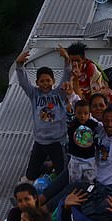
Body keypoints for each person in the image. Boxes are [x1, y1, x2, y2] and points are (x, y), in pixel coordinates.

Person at [16, 48, 71, 181]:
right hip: (40, 142)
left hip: (57, 141)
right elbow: (23, 82)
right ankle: (47, 165)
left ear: (53, 81)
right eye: (42, 81)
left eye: (48, 80)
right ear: (37, 83)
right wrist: (19, 65)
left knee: (62, 174)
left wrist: (66, 59)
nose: (45, 83)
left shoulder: (59, 93)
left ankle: (51, 167)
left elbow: (67, 76)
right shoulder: (34, 94)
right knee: (31, 175)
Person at [67, 97, 100, 183]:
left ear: (89, 114)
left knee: (89, 182)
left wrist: (101, 148)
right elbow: (68, 120)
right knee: (75, 183)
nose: (82, 116)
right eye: (79, 113)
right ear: (75, 113)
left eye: (85, 113)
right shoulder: (73, 124)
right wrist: (68, 111)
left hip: (90, 159)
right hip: (76, 158)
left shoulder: (93, 124)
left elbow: (97, 138)